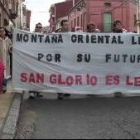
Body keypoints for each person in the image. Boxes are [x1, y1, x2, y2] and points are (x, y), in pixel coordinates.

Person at [56, 20, 71, 100]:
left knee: (68, 74)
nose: (67, 26)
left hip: (68, 58)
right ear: (62, 26)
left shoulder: (71, 34)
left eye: (68, 25)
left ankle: (67, 90)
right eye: (65, 25)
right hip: (60, 58)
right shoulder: (57, 34)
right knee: (60, 75)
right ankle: (60, 92)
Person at [29, 23, 44, 99]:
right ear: (35, 28)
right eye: (37, 27)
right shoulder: (31, 35)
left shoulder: (45, 36)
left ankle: (39, 91)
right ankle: (32, 91)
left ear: (42, 28)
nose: (38, 28)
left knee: (40, 75)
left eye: (40, 27)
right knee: (32, 75)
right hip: (33, 58)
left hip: (41, 59)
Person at [0, 27, 12, 93]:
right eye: (0, 31)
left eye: (3, 31)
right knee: (1, 73)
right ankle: (1, 86)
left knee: (5, 74)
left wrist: (11, 49)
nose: (2, 32)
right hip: (0, 59)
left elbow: (11, 49)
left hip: (6, 59)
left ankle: (4, 87)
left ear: (5, 32)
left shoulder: (9, 40)